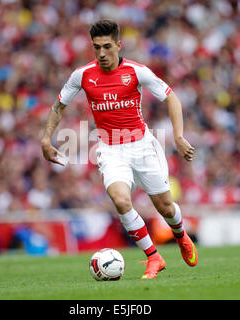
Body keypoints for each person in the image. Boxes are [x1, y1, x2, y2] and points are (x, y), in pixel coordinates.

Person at [41, 19, 197, 279]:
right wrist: (46, 139)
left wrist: (178, 136)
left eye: (106, 47)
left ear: (118, 45)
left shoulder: (137, 71)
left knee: (166, 208)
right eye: (96, 48)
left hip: (143, 146)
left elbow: (171, 96)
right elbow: (59, 106)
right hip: (111, 150)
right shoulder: (82, 75)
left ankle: (181, 235)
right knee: (121, 200)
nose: (101, 53)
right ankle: (153, 257)